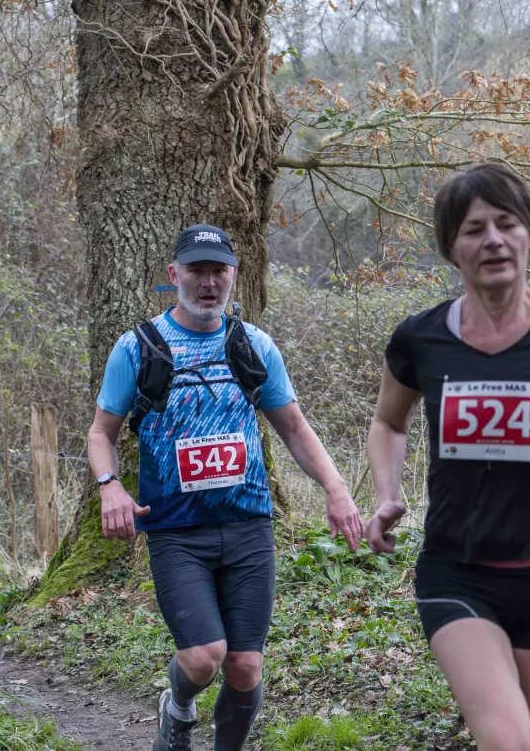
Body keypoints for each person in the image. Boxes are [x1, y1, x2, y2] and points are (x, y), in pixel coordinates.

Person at [365, 162, 530, 751]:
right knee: (509, 742)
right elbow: (388, 421)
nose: (492, 240)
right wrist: (387, 494)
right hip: (457, 572)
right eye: (473, 229)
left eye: (506, 223)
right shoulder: (420, 338)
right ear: (451, 249)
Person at [87, 224, 364, 751]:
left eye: (219, 271)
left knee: (244, 665)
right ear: (174, 275)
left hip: (248, 527)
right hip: (176, 532)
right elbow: (101, 433)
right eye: (197, 270)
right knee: (203, 657)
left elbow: (294, 428)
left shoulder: (253, 345)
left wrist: (336, 487)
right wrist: (110, 486)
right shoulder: (138, 347)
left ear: (234, 275)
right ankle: (178, 708)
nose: (209, 282)